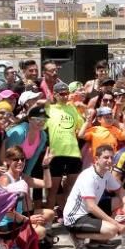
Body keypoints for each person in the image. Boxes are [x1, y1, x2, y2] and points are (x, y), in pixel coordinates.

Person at [62, 145, 125, 249]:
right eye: (106, 157)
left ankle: (96, 240)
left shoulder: (106, 173)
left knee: (119, 201)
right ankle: (77, 236)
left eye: (111, 157)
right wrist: (116, 224)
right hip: (74, 218)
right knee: (112, 230)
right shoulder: (88, 176)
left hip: (88, 212)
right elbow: (91, 207)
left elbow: (121, 191)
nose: (110, 160)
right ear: (96, 159)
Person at [0, 145, 56, 245]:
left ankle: (36, 242)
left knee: (50, 213)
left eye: (22, 159)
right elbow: (6, 210)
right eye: (16, 159)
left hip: (18, 218)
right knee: (40, 231)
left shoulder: (22, 177)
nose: (20, 162)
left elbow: (47, 184)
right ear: (8, 161)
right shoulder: (5, 180)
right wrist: (28, 220)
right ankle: (7, 242)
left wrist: (45, 166)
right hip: (5, 224)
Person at [45, 81, 84, 210]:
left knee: (72, 189)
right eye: (62, 94)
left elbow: (80, 126)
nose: (65, 96)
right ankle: (49, 222)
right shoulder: (48, 109)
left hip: (73, 153)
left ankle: (70, 217)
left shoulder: (72, 108)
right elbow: (41, 126)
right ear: (55, 94)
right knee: (53, 190)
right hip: (56, 154)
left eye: (67, 93)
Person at [5, 105, 49, 176]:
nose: (42, 122)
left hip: (19, 164)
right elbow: (9, 156)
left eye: (44, 120)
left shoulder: (43, 135)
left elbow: (34, 157)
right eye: (38, 119)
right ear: (29, 119)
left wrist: (26, 175)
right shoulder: (19, 132)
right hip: (6, 164)